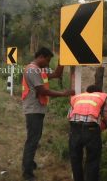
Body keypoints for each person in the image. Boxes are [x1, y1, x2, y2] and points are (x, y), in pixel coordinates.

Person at [21, 47, 75, 181]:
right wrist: (63, 94)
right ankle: (27, 173)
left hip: (37, 109)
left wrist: (61, 62)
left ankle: (30, 164)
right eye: (48, 60)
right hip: (33, 110)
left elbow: (56, 74)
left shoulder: (40, 70)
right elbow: (42, 91)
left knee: (34, 138)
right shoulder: (33, 70)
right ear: (41, 57)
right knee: (32, 140)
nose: (48, 63)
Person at [68, 85, 107, 181]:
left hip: (75, 128)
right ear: (99, 92)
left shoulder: (78, 97)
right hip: (91, 129)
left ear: (87, 92)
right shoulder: (102, 97)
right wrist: (101, 128)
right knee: (93, 160)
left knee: (75, 159)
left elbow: (69, 116)